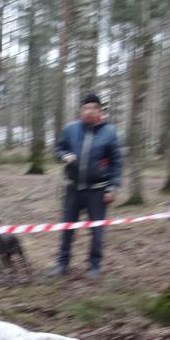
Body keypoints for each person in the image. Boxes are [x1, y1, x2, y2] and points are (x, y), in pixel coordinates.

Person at [52, 94, 122, 279]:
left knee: (97, 230)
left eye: (93, 108)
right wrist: (65, 156)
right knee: (67, 227)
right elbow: (58, 149)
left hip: (97, 190)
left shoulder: (110, 132)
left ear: (99, 111)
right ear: (81, 110)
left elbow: (116, 162)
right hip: (73, 188)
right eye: (86, 108)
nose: (89, 111)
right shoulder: (70, 129)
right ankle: (62, 263)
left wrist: (112, 188)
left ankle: (94, 266)